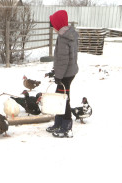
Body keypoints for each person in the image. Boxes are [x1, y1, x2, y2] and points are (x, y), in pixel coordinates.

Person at [45, 10, 79, 138]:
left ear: (58, 24)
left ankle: (66, 127)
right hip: (68, 72)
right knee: (60, 98)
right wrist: (55, 71)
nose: (52, 28)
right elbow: (64, 59)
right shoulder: (69, 35)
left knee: (64, 100)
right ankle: (59, 123)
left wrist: (58, 75)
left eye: (53, 25)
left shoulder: (63, 38)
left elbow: (64, 60)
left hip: (65, 74)